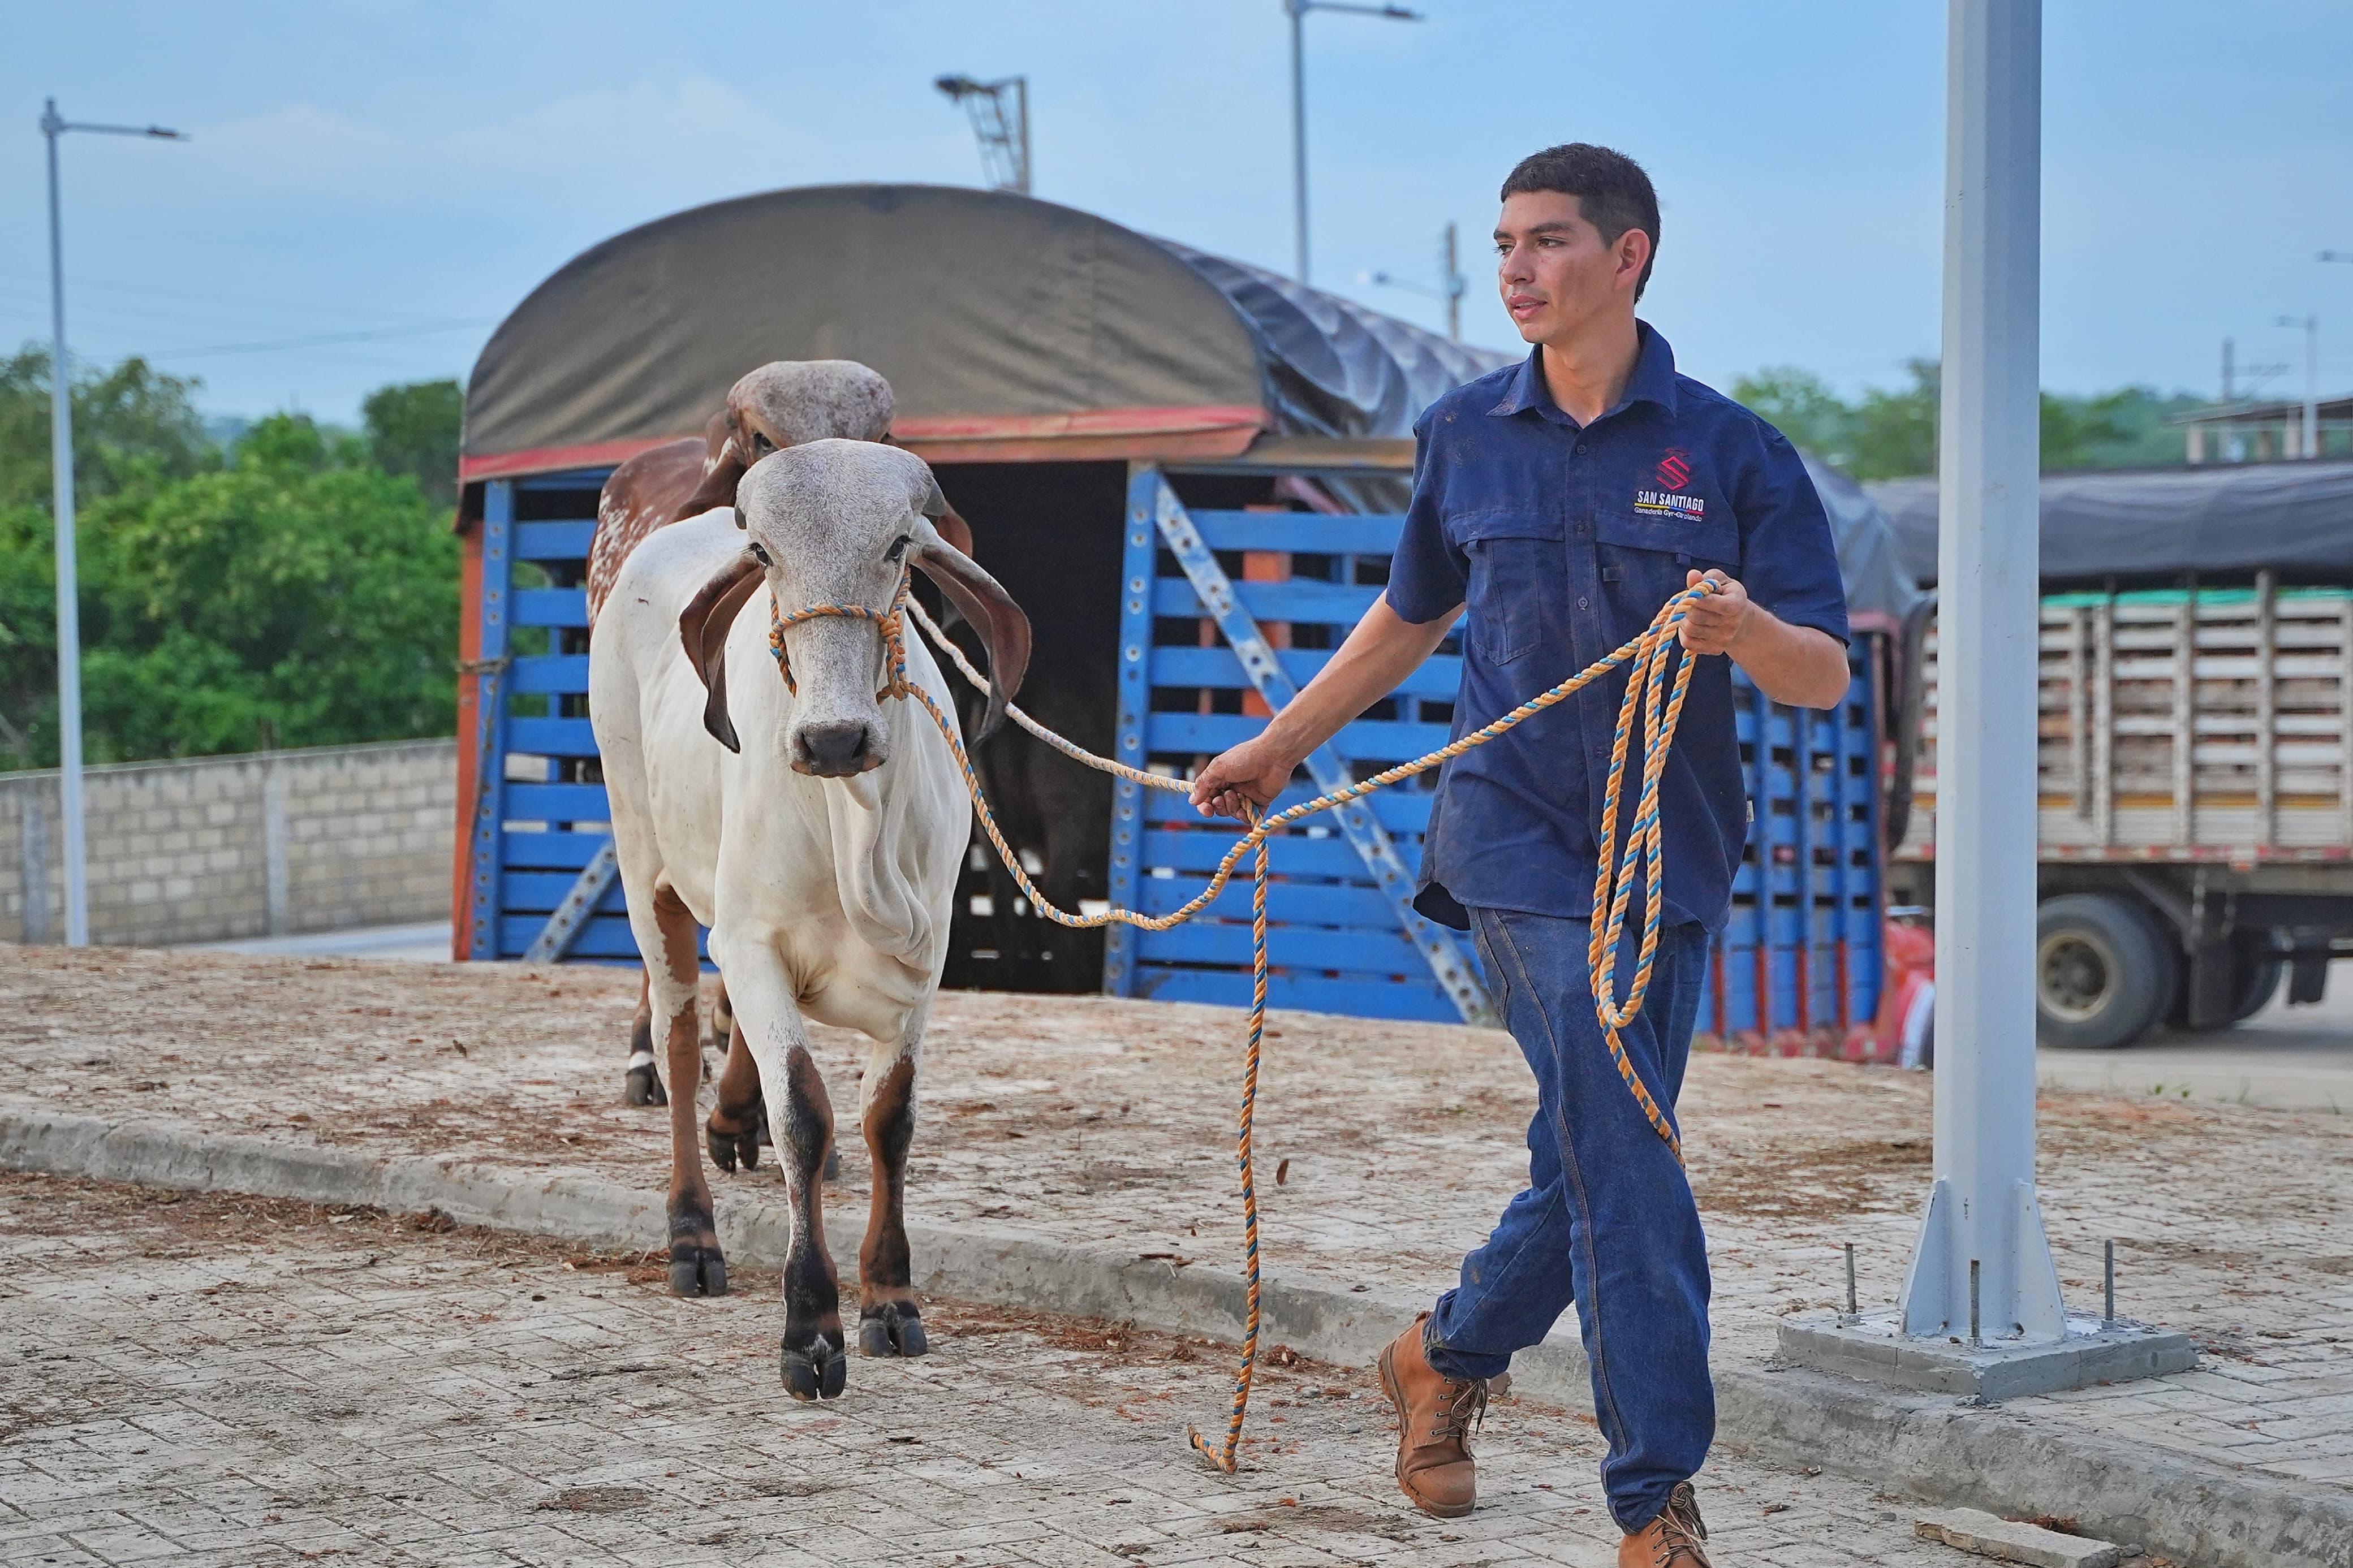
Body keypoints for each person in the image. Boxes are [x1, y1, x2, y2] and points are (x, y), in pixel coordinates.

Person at [1188, 143, 1851, 1568]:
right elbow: (1407, 617)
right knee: (1625, 1147)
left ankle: (1443, 1352)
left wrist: (1741, 632)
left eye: (1548, 240)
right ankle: (1654, 1498)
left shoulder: (1731, 452)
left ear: (1630, 257)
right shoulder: (1461, 433)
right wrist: (1280, 743)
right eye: (1503, 242)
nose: (1516, 267)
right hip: (1508, 842)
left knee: (1597, 1152)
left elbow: (1822, 676)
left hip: (1666, 853)